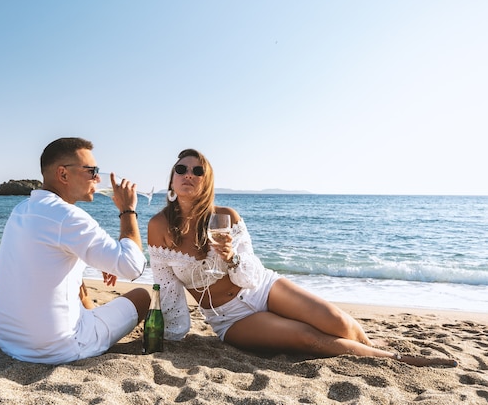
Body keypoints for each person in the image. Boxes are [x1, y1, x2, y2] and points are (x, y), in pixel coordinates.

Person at [147, 148, 457, 367]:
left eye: (197, 170)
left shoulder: (225, 217)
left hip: (262, 287)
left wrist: (231, 259)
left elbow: (251, 276)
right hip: (230, 318)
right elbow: (166, 289)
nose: (189, 174)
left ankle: (371, 349)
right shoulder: (158, 228)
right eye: (182, 169)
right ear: (172, 180)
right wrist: (170, 335)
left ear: (206, 181)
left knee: (338, 322)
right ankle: (395, 360)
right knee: (308, 339)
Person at [0, 137, 150, 365]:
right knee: (142, 296)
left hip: (8, 340)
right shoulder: (68, 216)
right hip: (57, 347)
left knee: (76, 281)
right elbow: (133, 267)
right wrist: (127, 210)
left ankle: (91, 316)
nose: (97, 178)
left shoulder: (21, 209)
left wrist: (101, 261)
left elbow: (48, 262)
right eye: (91, 171)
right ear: (63, 174)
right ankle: (92, 327)